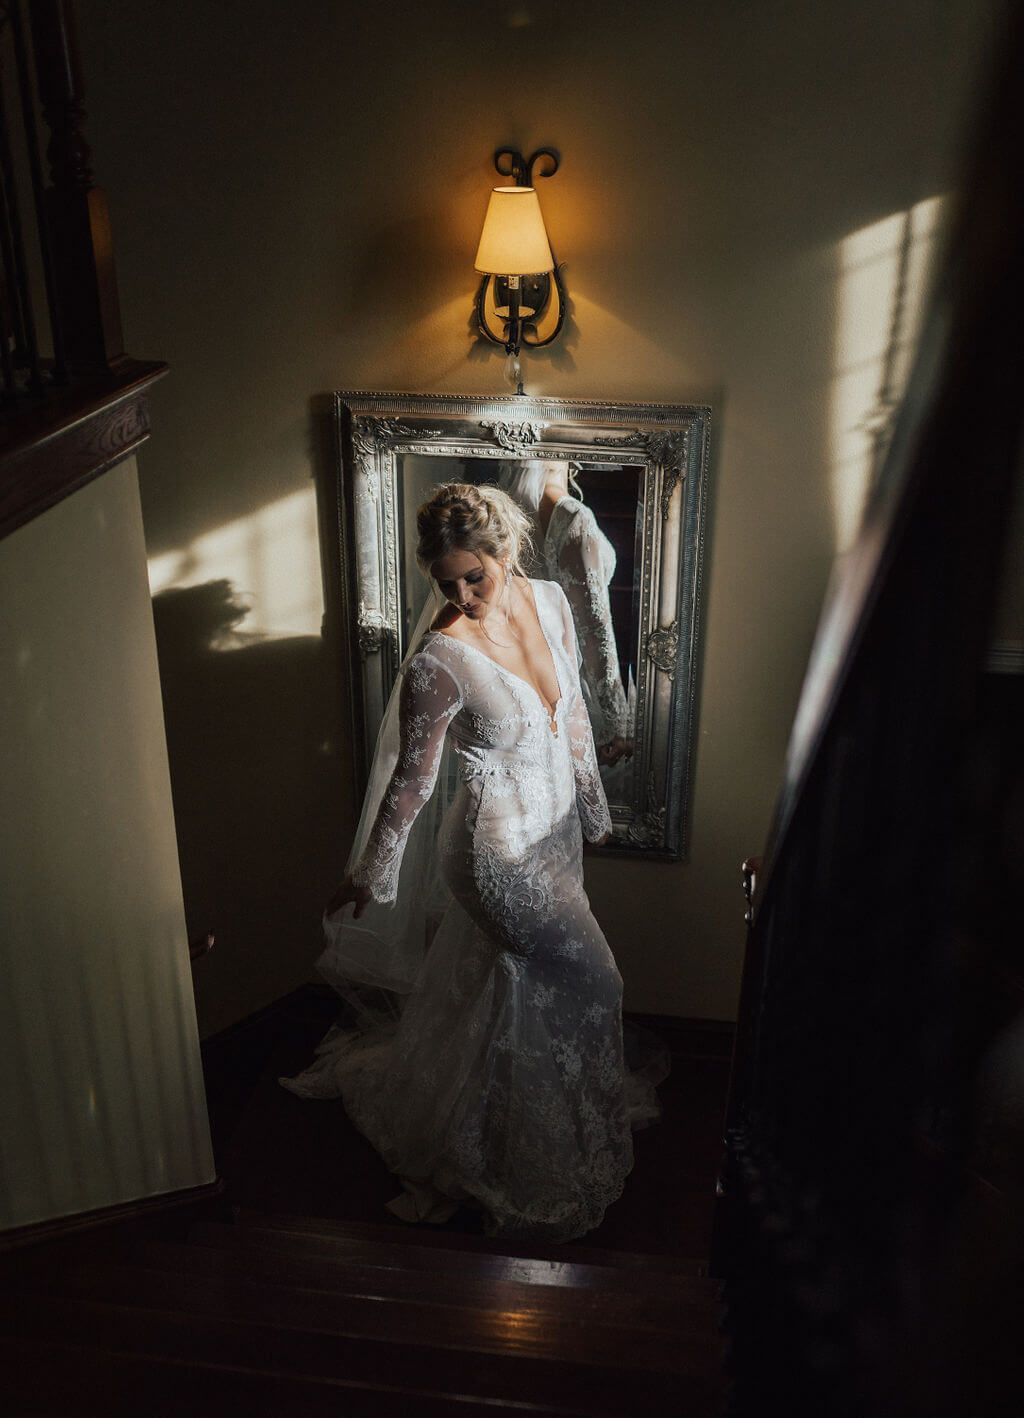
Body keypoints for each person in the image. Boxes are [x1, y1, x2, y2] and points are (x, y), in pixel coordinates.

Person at [280, 482, 661, 1242]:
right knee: (597, 980)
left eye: (474, 577)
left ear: (506, 552)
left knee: (514, 990)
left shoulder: (551, 601)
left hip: (554, 839)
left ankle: (486, 1124)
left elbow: (572, 714)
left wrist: (593, 811)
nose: (461, 595)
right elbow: (412, 782)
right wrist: (372, 874)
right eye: (445, 581)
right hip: (494, 857)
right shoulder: (440, 659)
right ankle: (531, 1162)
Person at [498, 459, 634, 768]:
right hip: (575, 687)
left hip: (526, 681)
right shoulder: (572, 516)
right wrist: (616, 719)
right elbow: (594, 627)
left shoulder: (506, 512)